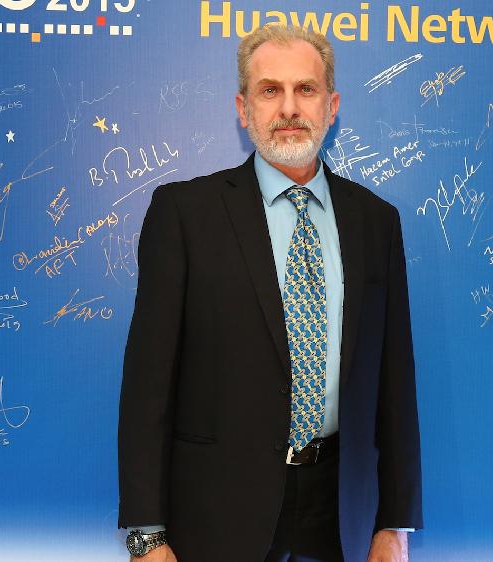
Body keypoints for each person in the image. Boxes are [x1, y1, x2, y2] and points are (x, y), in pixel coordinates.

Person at [117, 25, 422, 562]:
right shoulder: (183, 214)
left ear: (332, 106)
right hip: (215, 512)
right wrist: (147, 534)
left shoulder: (377, 222)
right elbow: (147, 389)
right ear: (243, 108)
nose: (289, 108)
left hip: (342, 514)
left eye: (305, 89)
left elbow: (395, 384)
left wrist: (394, 524)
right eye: (269, 90)